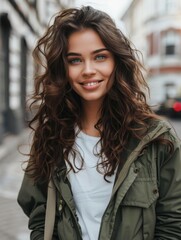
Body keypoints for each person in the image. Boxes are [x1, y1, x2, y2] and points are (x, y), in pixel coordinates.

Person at [17, 5, 181, 240]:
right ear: (63, 68)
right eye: (75, 60)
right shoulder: (51, 135)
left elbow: (173, 225)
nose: (88, 70)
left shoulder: (156, 138)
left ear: (117, 61)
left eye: (100, 57)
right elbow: (40, 217)